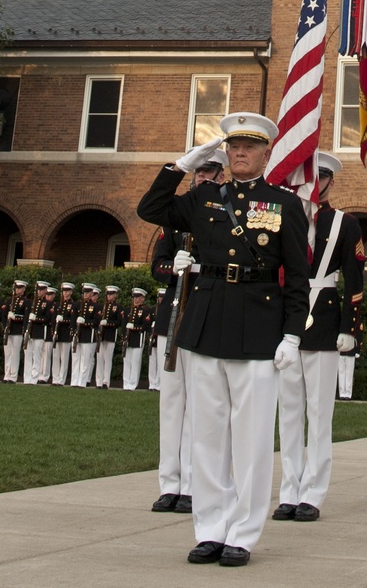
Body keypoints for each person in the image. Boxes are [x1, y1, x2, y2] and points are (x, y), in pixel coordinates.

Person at [137, 112, 309, 568]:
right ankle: (210, 529)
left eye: (249, 147)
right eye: (233, 146)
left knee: (251, 440)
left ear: (266, 152)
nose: (239, 153)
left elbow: (296, 277)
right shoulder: (203, 198)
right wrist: (179, 165)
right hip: (206, 319)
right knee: (207, 437)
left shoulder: (284, 205)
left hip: (258, 323)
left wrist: (292, 334)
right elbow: (150, 210)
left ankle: (243, 532)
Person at [273, 152, 365, 523]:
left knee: (318, 414)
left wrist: (349, 327)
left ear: (330, 182)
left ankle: (313, 491)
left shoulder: (345, 223)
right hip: (287, 322)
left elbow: (355, 282)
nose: (312, 184)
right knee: (289, 413)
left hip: (324, 322)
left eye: (320, 178)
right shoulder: (286, 217)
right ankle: (289, 489)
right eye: (306, 177)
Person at [149, 147, 228, 513]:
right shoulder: (176, 217)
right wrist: (174, 267)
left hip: (204, 315)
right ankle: (170, 482)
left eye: (210, 172)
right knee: (171, 402)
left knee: (201, 403)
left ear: (221, 177)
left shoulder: (226, 216)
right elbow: (157, 267)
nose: (202, 177)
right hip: (173, 314)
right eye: (199, 172)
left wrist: (199, 268)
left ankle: (195, 482)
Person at [26, 282, 56, 384]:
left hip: (39, 332)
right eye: (38, 290)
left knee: (37, 356)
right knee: (29, 355)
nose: (40, 292)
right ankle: (27, 377)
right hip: (30, 331)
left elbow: (47, 318)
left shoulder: (47, 304)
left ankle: (34, 377)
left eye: (42, 290)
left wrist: (37, 319)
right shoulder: (32, 302)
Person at [71, 284, 100, 387]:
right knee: (75, 359)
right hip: (78, 334)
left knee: (85, 360)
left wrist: (86, 322)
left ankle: (82, 382)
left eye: (87, 293)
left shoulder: (95, 306)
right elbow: (72, 319)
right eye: (84, 292)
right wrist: (73, 331)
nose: (85, 294)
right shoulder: (77, 305)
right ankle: (74, 381)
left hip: (88, 335)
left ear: (92, 293)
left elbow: (96, 321)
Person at [123, 287, 152, 390]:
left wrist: (135, 327)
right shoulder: (128, 309)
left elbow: (145, 325)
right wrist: (123, 335)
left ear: (143, 298)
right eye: (134, 297)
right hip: (128, 337)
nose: (135, 299)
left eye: (138, 297)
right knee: (127, 360)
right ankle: (126, 383)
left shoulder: (145, 310)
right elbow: (123, 324)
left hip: (138, 337)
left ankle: (133, 384)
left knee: (135, 361)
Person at [3, 278, 30, 382]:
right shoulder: (10, 300)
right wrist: (5, 326)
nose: (17, 290)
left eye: (19, 288)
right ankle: (6, 375)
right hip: (9, 330)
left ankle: (13, 376)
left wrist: (16, 317)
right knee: (8, 353)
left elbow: (26, 317)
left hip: (18, 330)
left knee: (15, 353)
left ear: (24, 289)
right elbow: (4, 315)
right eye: (16, 288)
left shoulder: (26, 301)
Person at [96, 285, 123, 388]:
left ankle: (105, 382)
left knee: (107, 358)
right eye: (108, 294)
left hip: (111, 334)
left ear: (115, 295)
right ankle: (98, 381)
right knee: (100, 358)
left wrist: (108, 323)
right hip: (101, 334)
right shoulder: (103, 306)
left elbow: (119, 321)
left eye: (111, 294)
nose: (109, 296)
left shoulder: (118, 307)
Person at [52, 282, 77, 384]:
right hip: (58, 333)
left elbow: (73, 320)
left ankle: (61, 379)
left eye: (67, 291)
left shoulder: (73, 305)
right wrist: (53, 331)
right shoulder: (58, 305)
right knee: (56, 357)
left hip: (66, 333)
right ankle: (55, 378)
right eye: (63, 291)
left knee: (64, 357)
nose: (65, 293)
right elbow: (53, 319)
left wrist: (64, 320)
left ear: (71, 292)